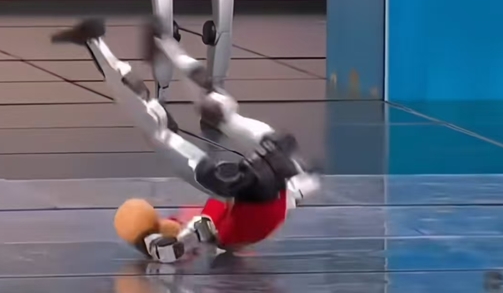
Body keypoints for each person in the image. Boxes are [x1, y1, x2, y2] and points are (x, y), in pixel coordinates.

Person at [51, 17, 320, 262]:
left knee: (211, 117)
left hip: (269, 191)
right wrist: (153, 243)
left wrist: (160, 242)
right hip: (253, 193)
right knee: (177, 126)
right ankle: (104, 42)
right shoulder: (219, 227)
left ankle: (158, 40)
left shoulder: (227, 224)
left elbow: (191, 235)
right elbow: (183, 241)